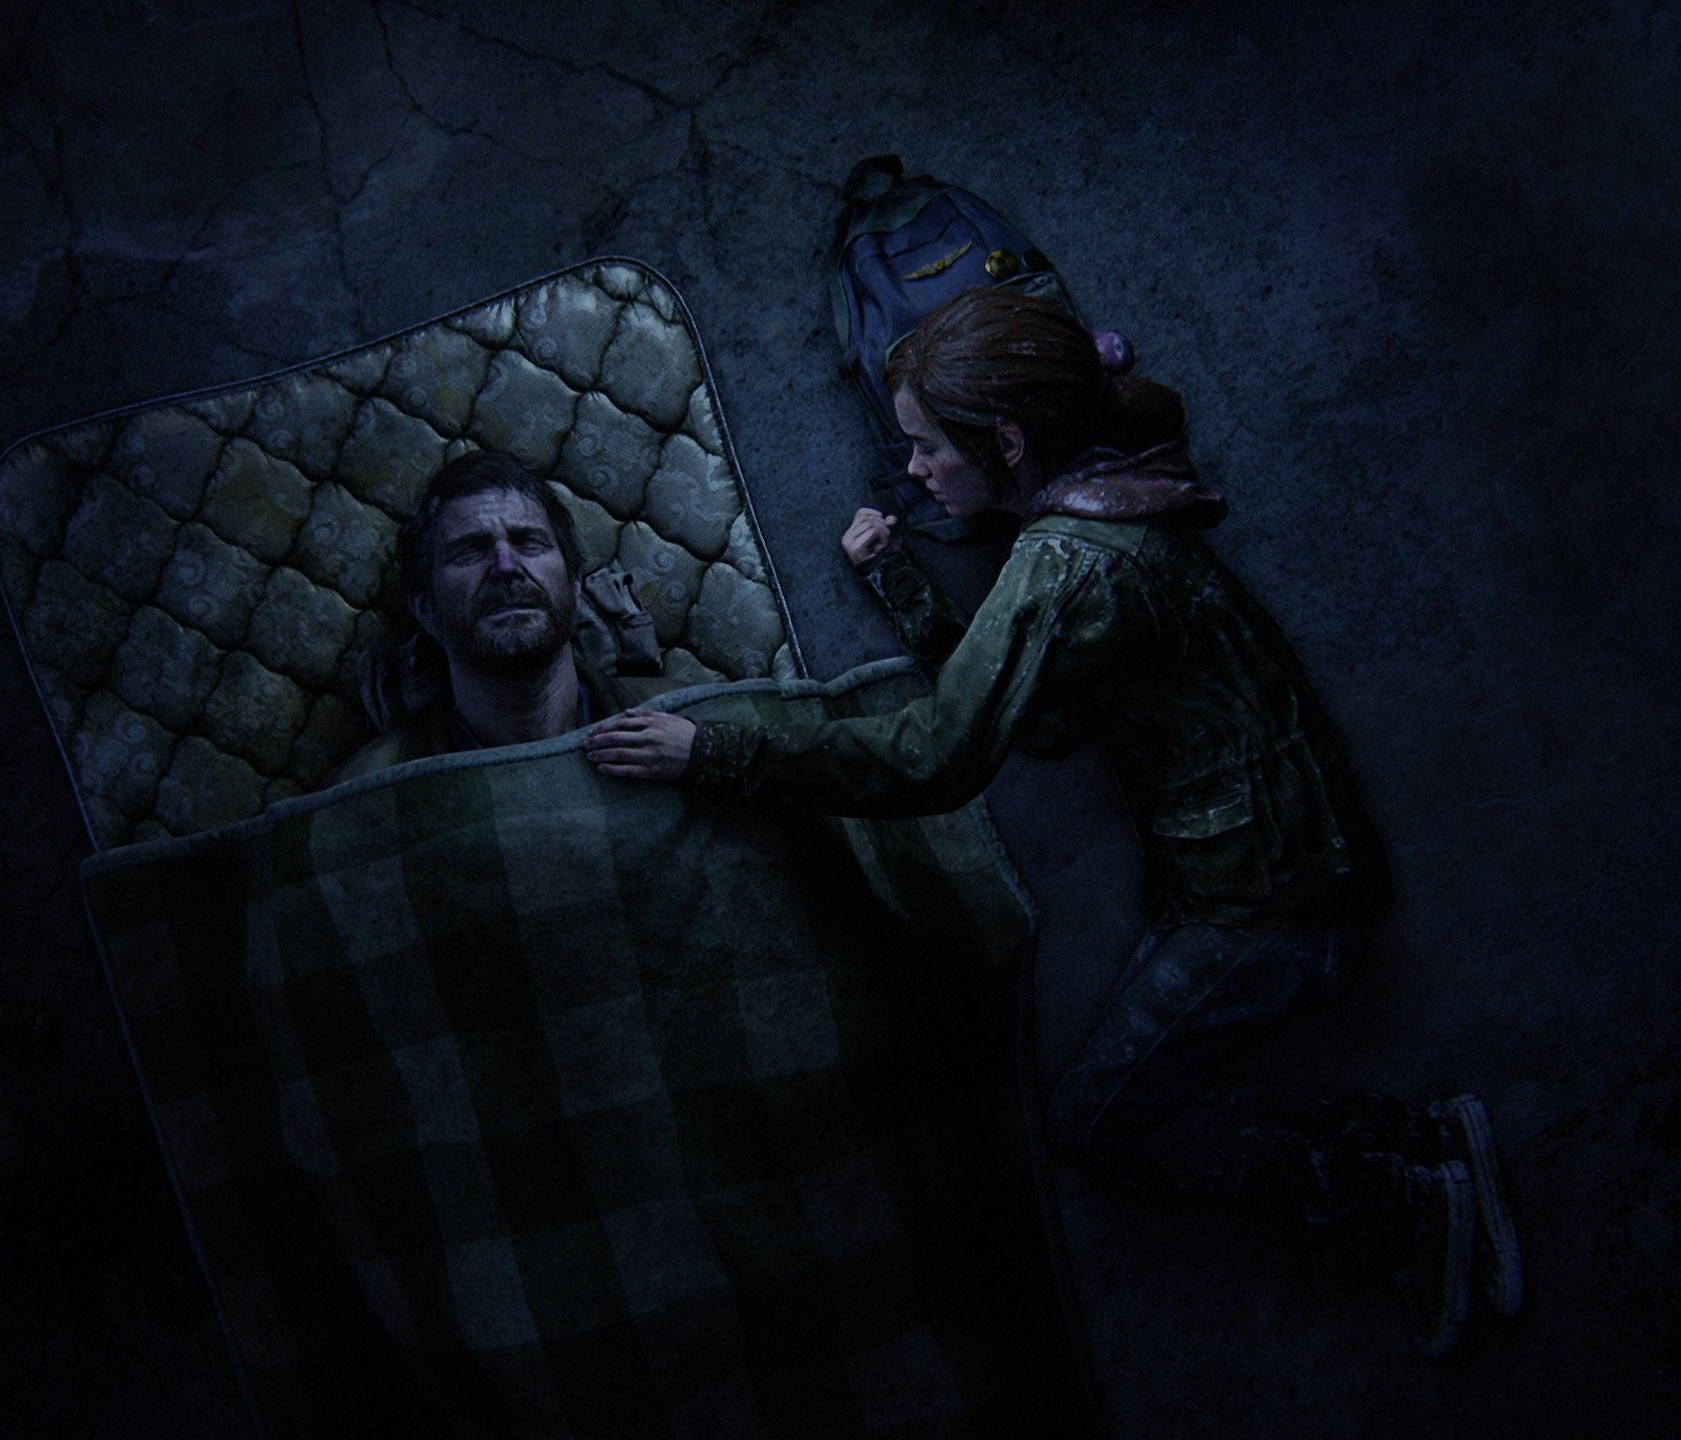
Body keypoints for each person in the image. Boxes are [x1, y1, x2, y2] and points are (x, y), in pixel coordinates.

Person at [586, 287, 1520, 1354]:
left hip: (1270, 903)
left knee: (1098, 1121)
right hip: (1281, 865)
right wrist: (901, 581)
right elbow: (1045, 722)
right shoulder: (1106, 502)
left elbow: (937, 756)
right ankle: (1423, 1140)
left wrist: (715, 751)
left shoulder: (1065, 564)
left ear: (1011, 441)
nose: (915, 472)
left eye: (928, 447)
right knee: (1135, 1094)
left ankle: (1404, 1196)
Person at [331, 448, 677, 783]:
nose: (506, 566)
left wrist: (703, 755)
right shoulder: (368, 789)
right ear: (426, 609)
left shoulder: (687, 725)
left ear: (575, 585)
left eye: (529, 543)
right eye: (469, 552)